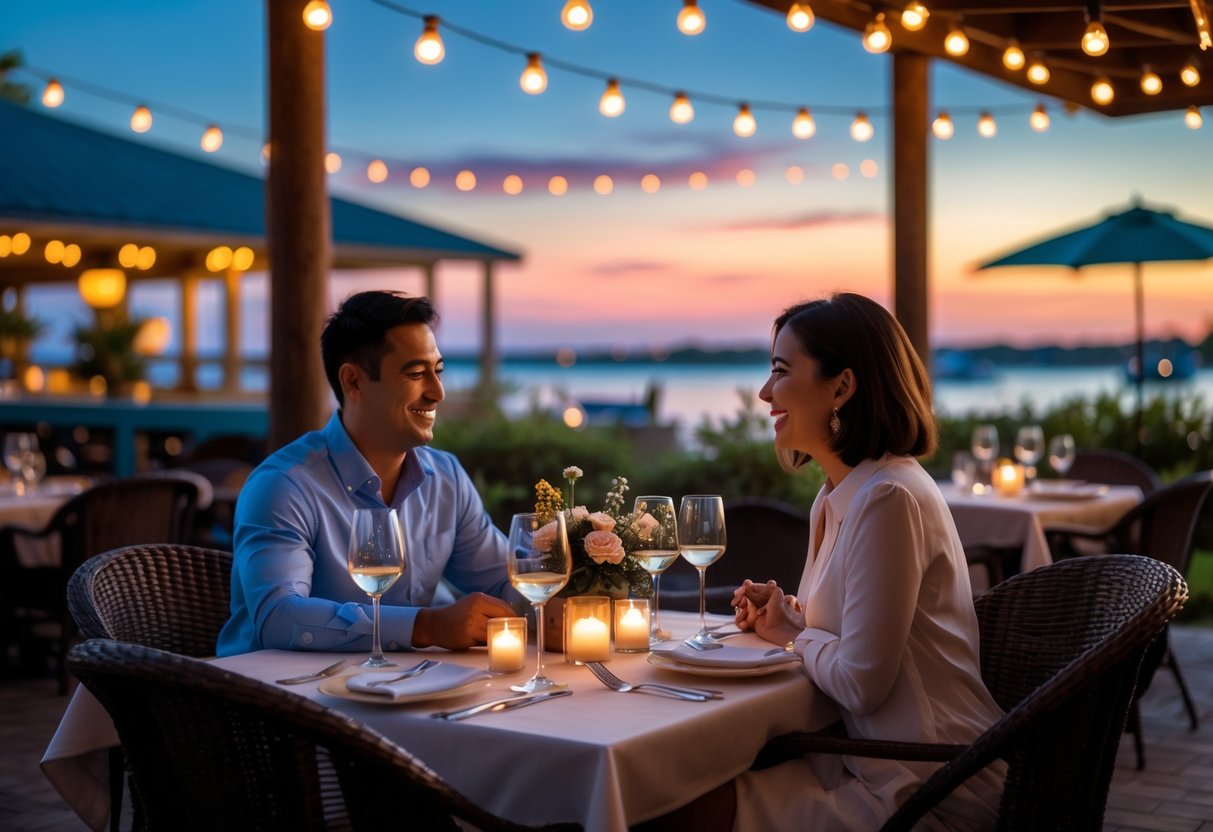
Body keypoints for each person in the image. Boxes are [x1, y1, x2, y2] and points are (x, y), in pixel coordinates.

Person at [657, 293, 1004, 831]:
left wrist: (793, 636)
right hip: (865, 759)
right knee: (674, 785)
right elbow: (849, 632)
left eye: (780, 371)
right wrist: (791, 614)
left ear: (841, 387)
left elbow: (861, 681)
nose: (765, 392)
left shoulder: (889, 499)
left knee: (678, 809)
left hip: (929, 784)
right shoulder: (837, 496)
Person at [217, 291, 517, 657]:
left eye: (437, 371)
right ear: (354, 382)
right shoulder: (284, 485)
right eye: (416, 373)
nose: (437, 393)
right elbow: (278, 617)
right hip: (277, 700)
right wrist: (427, 626)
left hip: (397, 692)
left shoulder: (446, 478)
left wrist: (564, 605)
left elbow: (506, 580)